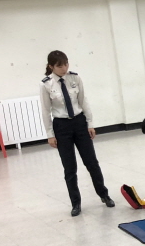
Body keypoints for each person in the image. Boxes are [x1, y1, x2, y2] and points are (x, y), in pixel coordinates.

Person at [39, 50, 114, 217]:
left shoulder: (75, 78)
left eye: (66, 64)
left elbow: (83, 101)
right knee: (70, 168)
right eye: (60, 66)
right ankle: (75, 203)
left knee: (92, 162)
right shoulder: (46, 84)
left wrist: (90, 123)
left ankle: (104, 195)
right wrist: (50, 134)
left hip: (79, 123)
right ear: (51, 66)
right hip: (61, 126)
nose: (64, 68)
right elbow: (45, 110)